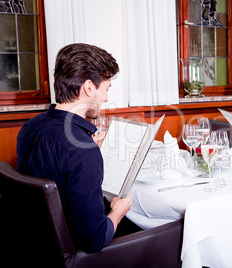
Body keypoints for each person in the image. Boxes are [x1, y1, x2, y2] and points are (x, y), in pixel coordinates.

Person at [17, 43, 140, 253]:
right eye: (106, 89)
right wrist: (118, 212)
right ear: (89, 88)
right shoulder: (82, 150)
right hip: (75, 254)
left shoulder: (30, 127)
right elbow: (94, 241)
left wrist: (90, 151)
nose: (107, 98)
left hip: (35, 241)